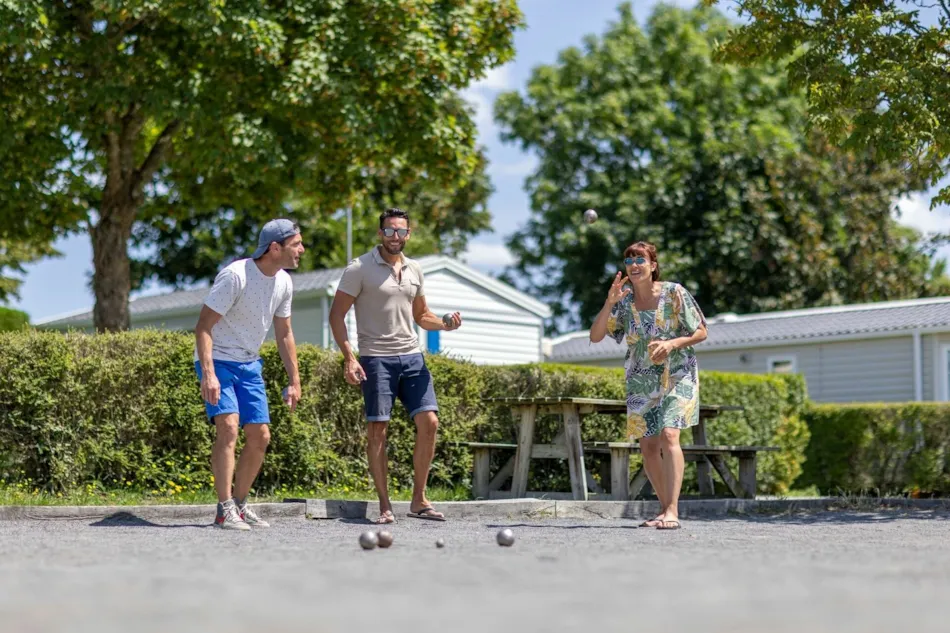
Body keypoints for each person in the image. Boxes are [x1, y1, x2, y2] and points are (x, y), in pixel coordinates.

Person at [329, 207, 462, 525]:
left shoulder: (415, 269)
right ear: (380, 234)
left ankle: (419, 499)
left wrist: (444, 323)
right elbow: (336, 316)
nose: (395, 237)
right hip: (376, 359)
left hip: (412, 357)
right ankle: (385, 505)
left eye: (401, 231)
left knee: (429, 422)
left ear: (408, 234)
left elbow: (421, 316)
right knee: (378, 431)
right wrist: (349, 357)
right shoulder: (359, 268)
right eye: (389, 231)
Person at [194, 218, 305, 530]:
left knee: (260, 436)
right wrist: (208, 374)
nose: (302, 250)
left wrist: (294, 380)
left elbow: (284, 334)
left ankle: (240, 505)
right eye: (296, 244)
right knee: (228, 428)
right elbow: (203, 327)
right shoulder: (235, 276)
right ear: (274, 247)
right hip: (218, 361)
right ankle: (223, 508)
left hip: (249, 364)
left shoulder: (284, 282)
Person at [589, 241, 708, 530]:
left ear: (653, 265)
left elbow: (701, 331)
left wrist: (672, 343)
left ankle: (673, 511)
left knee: (669, 435)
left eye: (640, 259)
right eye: (629, 260)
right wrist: (609, 302)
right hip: (641, 379)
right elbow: (595, 336)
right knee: (648, 446)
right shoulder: (624, 301)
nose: (634, 264)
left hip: (677, 373)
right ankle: (664, 508)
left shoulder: (674, 293)